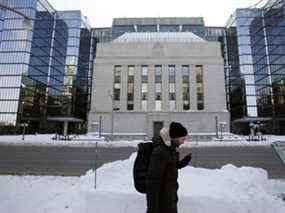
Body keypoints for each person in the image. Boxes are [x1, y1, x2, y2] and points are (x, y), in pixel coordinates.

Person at [146, 122, 192, 213]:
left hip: (169, 199)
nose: (183, 141)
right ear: (175, 138)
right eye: (182, 138)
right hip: (162, 203)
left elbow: (171, 167)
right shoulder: (161, 152)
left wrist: (184, 162)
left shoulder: (170, 150)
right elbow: (152, 182)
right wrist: (152, 208)